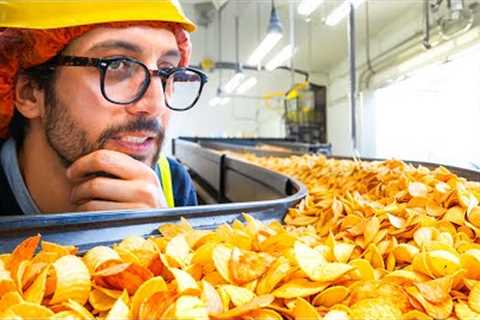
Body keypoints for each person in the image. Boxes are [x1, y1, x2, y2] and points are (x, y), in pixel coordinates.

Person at [0, 1, 208, 214]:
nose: (157, 105)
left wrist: (158, 231)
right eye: (117, 65)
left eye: (166, 72)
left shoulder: (172, 184)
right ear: (30, 93)